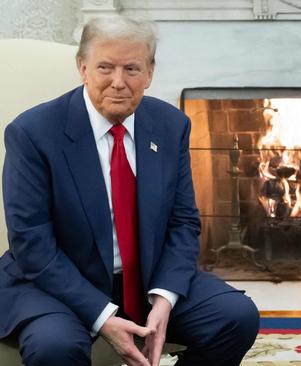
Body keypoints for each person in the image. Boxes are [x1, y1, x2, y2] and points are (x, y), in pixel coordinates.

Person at [0, 16, 259, 366]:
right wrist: (102, 316)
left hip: (145, 278)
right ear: (83, 68)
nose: (118, 82)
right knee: (55, 347)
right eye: (105, 67)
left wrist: (165, 300)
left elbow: (183, 223)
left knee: (236, 316)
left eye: (132, 69)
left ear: (150, 73)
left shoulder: (171, 126)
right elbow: (32, 244)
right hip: (57, 284)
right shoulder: (33, 133)